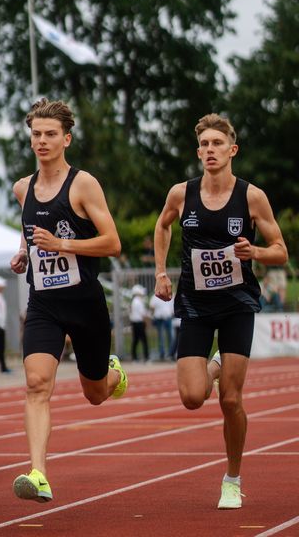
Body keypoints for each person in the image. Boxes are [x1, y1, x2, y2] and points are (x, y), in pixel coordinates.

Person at [154, 113, 288, 510]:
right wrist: (161, 272)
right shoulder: (182, 193)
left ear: (233, 150)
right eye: (205, 145)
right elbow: (163, 226)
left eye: (218, 144)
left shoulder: (251, 197)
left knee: (230, 400)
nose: (210, 151)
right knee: (193, 397)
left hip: (237, 303)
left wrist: (256, 251)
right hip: (195, 302)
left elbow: (281, 250)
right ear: (198, 152)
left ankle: (232, 478)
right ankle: (214, 365)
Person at [9, 98, 128, 503]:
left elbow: (113, 243)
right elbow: (30, 227)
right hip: (43, 302)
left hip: (84, 303)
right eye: (36, 134)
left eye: (50, 134)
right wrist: (24, 251)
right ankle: (38, 472)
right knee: (36, 384)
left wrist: (62, 243)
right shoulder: (22, 188)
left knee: (95, 394)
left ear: (66, 139)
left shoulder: (83, 184)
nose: (42, 141)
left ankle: (114, 374)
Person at [149, 292, 175, 360]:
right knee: (162, 337)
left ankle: (170, 353)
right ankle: (163, 354)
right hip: (159, 318)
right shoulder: (155, 296)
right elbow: (152, 306)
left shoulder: (169, 295)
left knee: (169, 336)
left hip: (167, 317)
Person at [130, 284, 150, 362]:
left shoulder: (134, 301)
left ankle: (134, 357)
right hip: (139, 323)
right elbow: (143, 314)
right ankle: (146, 357)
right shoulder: (138, 301)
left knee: (136, 340)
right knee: (144, 340)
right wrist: (146, 323)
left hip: (134, 323)